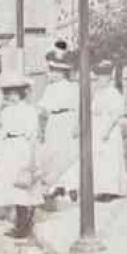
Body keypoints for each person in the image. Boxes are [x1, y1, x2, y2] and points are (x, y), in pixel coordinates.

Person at [63, 60, 127, 201]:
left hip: (109, 130)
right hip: (96, 127)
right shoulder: (98, 94)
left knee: (109, 159)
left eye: (103, 77)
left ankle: (110, 190)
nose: (99, 80)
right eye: (98, 77)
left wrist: (107, 131)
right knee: (96, 159)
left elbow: (116, 114)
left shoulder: (114, 93)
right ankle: (93, 188)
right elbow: (91, 112)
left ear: (109, 78)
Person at [0, 73, 43, 239]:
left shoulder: (29, 111)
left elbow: (33, 134)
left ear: (21, 93)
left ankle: (24, 225)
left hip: (22, 148)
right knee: (12, 186)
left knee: (23, 185)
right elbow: (2, 132)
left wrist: (31, 158)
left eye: (13, 93)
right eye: (7, 93)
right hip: (9, 149)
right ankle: (20, 223)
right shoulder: (6, 112)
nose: (10, 96)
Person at [37, 50, 80, 201]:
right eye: (52, 70)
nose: (52, 74)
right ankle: (56, 186)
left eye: (56, 71)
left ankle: (71, 186)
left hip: (68, 119)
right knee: (53, 154)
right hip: (54, 121)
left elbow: (78, 107)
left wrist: (77, 125)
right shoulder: (50, 88)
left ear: (63, 72)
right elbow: (43, 108)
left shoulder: (73, 87)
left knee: (70, 154)